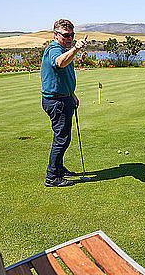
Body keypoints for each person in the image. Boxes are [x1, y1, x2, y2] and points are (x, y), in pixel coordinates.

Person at [40, 19, 88, 187]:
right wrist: (76, 48)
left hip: (64, 98)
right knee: (62, 138)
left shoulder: (63, 50)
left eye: (72, 35)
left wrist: (71, 94)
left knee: (63, 138)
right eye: (66, 35)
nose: (70, 38)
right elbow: (59, 62)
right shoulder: (54, 49)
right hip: (57, 102)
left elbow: (62, 75)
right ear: (56, 35)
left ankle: (59, 169)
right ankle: (52, 177)